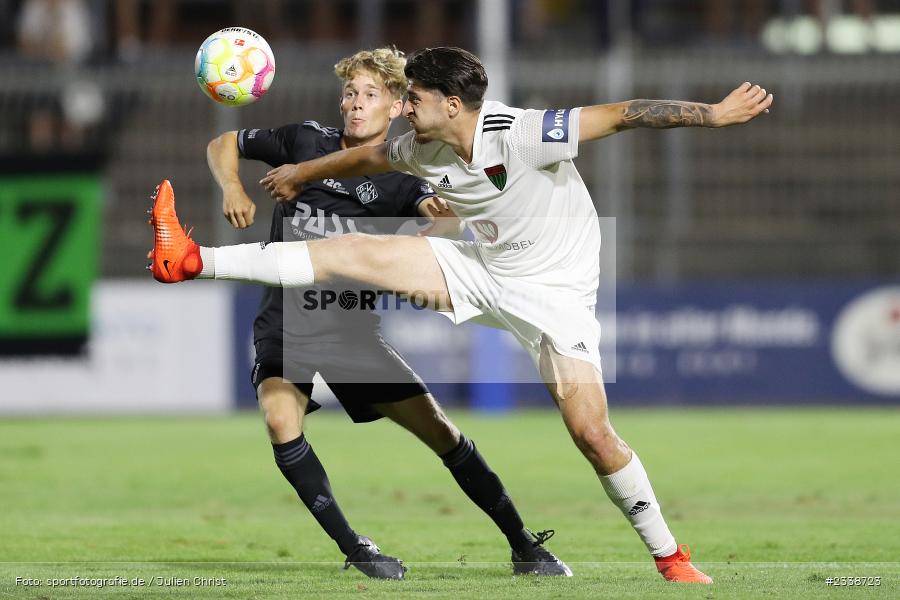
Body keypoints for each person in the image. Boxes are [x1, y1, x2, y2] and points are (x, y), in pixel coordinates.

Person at [150, 46, 773, 584]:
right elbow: (366, 161)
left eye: (412, 96)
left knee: (591, 433)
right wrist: (302, 173)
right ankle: (190, 260)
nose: (403, 106)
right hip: (484, 268)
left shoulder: (521, 131)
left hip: (558, 295)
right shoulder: (419, 144)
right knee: (352, 255)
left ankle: (670, 557)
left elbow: (622, 114)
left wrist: (713, 115)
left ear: (453, 103)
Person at [152, 47, 570, 580]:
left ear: (398, 105)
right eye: (350, 92)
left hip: (352, 330)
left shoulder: (403, 172)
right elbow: (222, 143)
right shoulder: (307, 142)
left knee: (441, 433)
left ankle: (524, 545)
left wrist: (435, 223)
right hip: (286, 323)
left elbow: (436, 222)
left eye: (371, 94)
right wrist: (233, 185)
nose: (355, 103)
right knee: (280, 420)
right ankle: (357, 549)